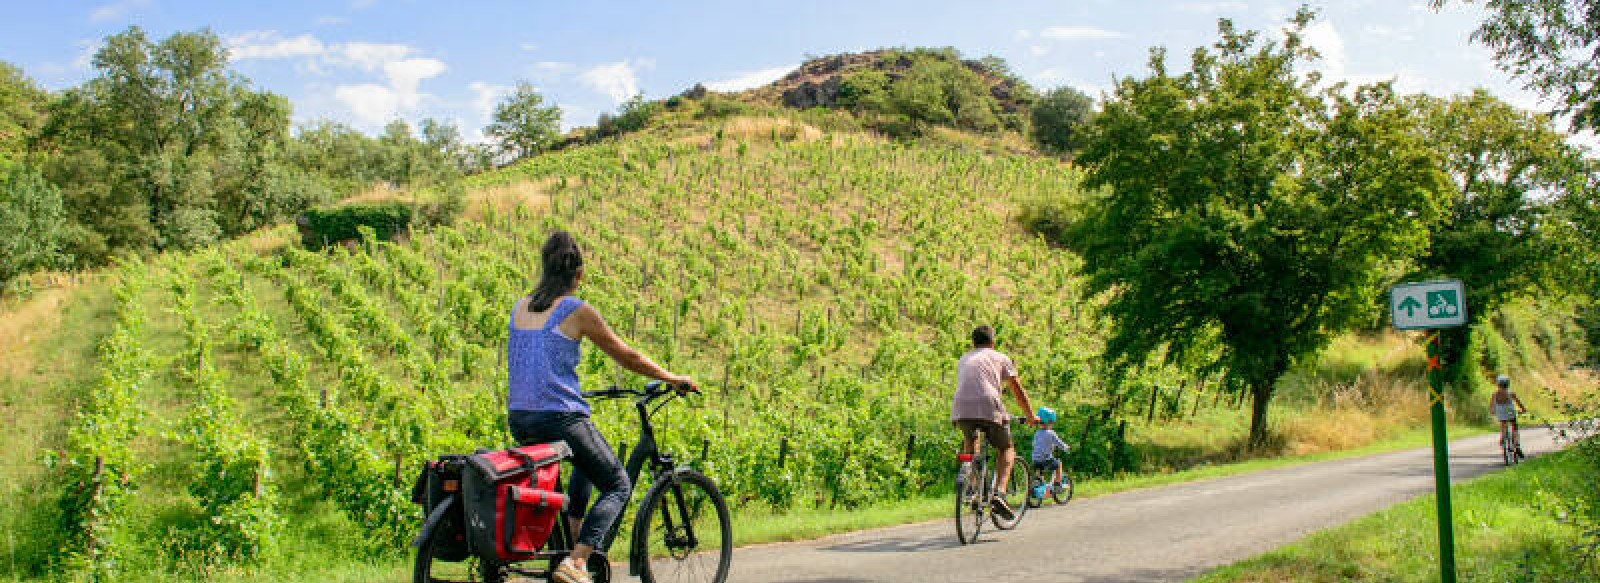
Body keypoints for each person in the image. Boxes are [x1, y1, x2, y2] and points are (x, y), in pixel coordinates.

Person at [506, 231, 695, 583]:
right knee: (618, 484)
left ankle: (571, 545)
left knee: (581, 469)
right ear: (578, 275)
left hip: (520, 417)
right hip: (559, 416)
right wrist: (671, 378)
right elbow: (628, 356)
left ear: (544, 269)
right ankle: (577, 562)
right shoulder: (577, 311)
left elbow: (532, 362)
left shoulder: (520, 307)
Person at [951, 325, 1038, 521]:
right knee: (1006, 448)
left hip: (961, 407)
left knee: (970, 441)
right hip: (989, 403)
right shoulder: (1000, 357)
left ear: (973, 343)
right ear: (993, 342)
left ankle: (972, 487)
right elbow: (1018, 391)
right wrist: (1031, 416)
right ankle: (999, 493)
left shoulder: (964, 359)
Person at [1030, 407, 1069, 497]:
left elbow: (1034, 444)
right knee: (1058, 464)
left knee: (1039, 470)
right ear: (1049, 422)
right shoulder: (1051, 433)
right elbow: (1059, 443)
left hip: (1035, 459)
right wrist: (1065, 447)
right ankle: (1058, 484)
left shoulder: (1037, 433)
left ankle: (1037, 481)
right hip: (1046, 458)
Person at [1490, 374, 1527, 460]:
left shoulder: (1494, 394)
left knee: (1503, 423)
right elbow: (1519, 403)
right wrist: (1523, 409)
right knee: (1514, 426)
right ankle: (1517, 445)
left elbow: (1491, 406)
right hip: (1510, 412)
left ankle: (1503, 437)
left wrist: (1492, 411)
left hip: (1500, 412)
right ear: (1508, 384)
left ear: (1498, 384)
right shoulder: (1511, 393)